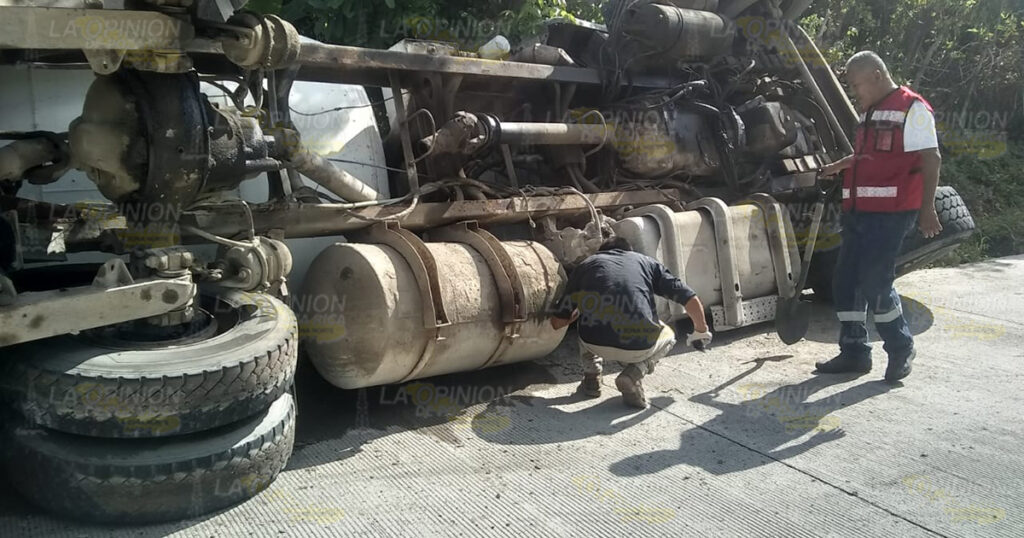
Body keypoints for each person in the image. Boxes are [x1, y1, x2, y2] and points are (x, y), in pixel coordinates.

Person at [817, 51, 943, 383]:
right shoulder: (869, 112)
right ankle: (854, 352)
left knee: (875, 283)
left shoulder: (913, 108)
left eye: (855, 84)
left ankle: (901, 347)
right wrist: (837, 166)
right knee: (845, 282)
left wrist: (928, 208)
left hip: (892, 214)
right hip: (859, 212)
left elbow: (931, 158)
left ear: (876, 75)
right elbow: (866, 157)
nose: (854, 92)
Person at [550, 236, 712, 409]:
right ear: (629, 251)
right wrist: (701, 331)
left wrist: (573, 317)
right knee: (669, 335)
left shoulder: (586, 265)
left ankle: (592, 379)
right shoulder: (647, 263)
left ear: (602, 252)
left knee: (585, 320)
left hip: (595, 343)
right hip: (639, 347)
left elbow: (557, 323)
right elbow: (689, 298)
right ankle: (634, 373)